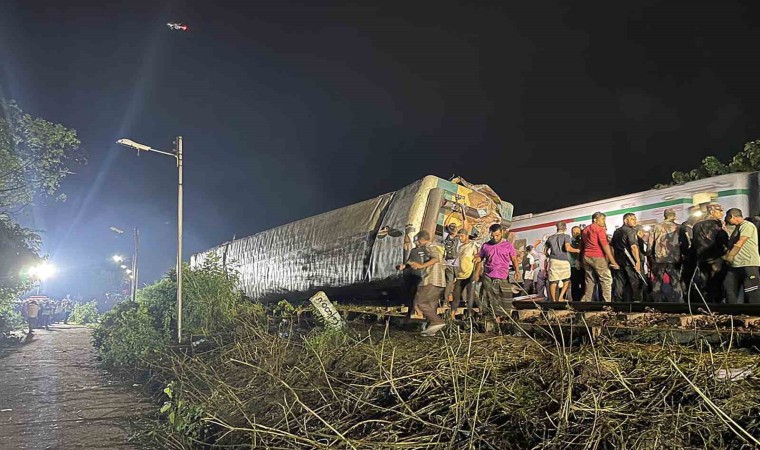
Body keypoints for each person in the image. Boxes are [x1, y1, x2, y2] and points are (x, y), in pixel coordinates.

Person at [396, 230, 447, 336]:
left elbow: (436, 258)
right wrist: (407, 266)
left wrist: (421, 266)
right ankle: (431, 330)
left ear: (421, 239)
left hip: (431, 279)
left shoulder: (429, 246)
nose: (417, 243)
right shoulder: (432, 247)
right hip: (440, 281)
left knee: (420, 302)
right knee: (431, 304)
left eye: (418, 240)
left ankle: (437, 321)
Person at [474, 223, 522, 317]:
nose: (495, 238)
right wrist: (477, 259)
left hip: (502, 276)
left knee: (503, 299)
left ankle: (501, 317)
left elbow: (514, 259)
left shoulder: (508, 246)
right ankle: (488, 316)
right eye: (492, 236)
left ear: (502, 233)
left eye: (497, 235)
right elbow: (481, 257)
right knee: (487, 297)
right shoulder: (485, 246)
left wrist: (517, 271)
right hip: (488, 276)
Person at [691, 203, 729, 302]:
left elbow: (694, 243)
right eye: (719, 211)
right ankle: (718, 304)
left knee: (705, 283)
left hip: (702, 258)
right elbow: (723, 240)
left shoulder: (696, 225)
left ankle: (708, 304)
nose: (722, 213)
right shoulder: (719, 224)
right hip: (717, 258)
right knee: (718, 283)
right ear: (712, 212)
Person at [723, 208, 760, 304]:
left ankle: (755, 314)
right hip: (735, 264)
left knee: (751, 291)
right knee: (729, 287)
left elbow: (741, 241)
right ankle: (733, 313)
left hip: (748, 263)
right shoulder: (737, 227)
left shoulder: (747, 225)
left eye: (726, 217)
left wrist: (730, 256)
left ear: (732, 216)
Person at [581, 212, 619, 302]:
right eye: (602, 219)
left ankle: (587, 301)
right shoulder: (599, 229)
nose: (603, 221)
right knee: (606, 279)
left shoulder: (585, 229)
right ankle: (607, 303)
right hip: (597, 256)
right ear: (595, 219)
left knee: (590, 280)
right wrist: (613, 261)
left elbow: (582, 245)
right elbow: (604, 245)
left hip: (586, 256)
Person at [648, 208, 684, 302]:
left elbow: (650, 244)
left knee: (657, 281)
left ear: (664, 216)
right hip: (674, 258)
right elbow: (685, 243)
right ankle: (678, 301)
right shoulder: (679, 227)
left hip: (659, 258)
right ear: (674, 215)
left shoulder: (656, 227)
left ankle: (657, 302)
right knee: (675, 281)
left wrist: (650, 256)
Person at [610, 213, 643, 302]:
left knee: (619, 283)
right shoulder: (630, 231)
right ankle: (636, 301)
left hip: (618, 261)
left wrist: (613, 260)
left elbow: (612, 247)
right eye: (632, 219)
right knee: (634, 282)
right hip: (629, 261)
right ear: (625, 221)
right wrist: (638, 262)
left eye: (635, 219)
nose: (635, 221)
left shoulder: (616, 231)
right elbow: (634, 247)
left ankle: (618, 302)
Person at [544, 222, 579, 301]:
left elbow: (545, 250)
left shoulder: (550, 238)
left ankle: (553, 300)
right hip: (563, 261)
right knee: (566, 280)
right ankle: (560, 297)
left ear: (557, 228)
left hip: (553, 261)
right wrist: (577, 250)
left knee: (553, 281)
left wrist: (548, 256)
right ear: (565, 229)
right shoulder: (566, 236)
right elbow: (567, 248)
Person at [450, 228, 479, 318]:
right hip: (460, 275)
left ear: (466, 236)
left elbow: (478, 260)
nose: (460, 238)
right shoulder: (460, 247)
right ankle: (452, 315)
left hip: (470, 273)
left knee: (470, 295)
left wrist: (477, 273)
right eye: (459, 237)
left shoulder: (472, 246)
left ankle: (470, 314)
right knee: (456, 295)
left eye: (462, 236)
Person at [442, 222, 460, 304]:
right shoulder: (459, 238)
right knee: (460, 281)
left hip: (447, 263)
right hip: (456, 263)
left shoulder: (446, 237)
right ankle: (462, 300)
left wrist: (451, 214)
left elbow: (445, 224)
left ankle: (445, 301)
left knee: (449, 282)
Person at [568, 226, 584, 301]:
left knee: (584, 284)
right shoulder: (569, 241)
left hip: (583, 266)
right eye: (573, 232)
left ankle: (582, 299)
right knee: (575, 284)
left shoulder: (583, 241)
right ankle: (575, 301)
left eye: (577, 232)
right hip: (573, 266)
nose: (575, 234)